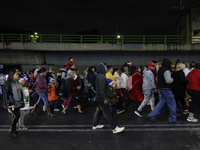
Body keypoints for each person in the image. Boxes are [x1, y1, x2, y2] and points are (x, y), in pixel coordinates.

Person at [92, 62, 124, 134]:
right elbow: (101, 89)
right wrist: (105, 98)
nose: (106, 69)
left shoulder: (99, 76)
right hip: (102, 97)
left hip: (99, 97)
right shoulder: (102, 77)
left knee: (99, 111)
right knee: (108, 113)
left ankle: (95, 124)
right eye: (105, 67)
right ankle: (114, 128)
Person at [148, 58, 180, 124]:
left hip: (160, 89)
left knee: (161, 103)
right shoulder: (166, 71)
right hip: (166, 89)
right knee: (172, 104)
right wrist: (172, 79)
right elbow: (168, 81)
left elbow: (157, 79)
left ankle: (151, 115)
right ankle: (173, 119)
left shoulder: (160, 70)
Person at [3, 70, 25, 138]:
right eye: (16, 74)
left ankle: (13, 129)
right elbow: (5, 94)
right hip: (12, 102)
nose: (17, 75)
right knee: (17, 116)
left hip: (18, 101)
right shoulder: (8, 83)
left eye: (18, 74)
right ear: (12, 75)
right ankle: (12, 130)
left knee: (15, 116)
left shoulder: (17, 82)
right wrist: (6, 103)